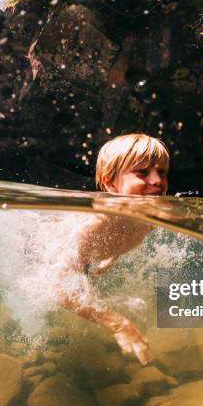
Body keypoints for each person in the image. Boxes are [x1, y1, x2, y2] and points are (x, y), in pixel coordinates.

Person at [56, 133, 169, 365]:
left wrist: (111, 257)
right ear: (110, 183)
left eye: (162, 172)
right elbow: (58, 288)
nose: (158, 180)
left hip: (88, 257)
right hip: (40, 248)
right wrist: (118, 324)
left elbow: (123, 238)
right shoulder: (95, 226)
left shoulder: (148, 219)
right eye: (143, 172)